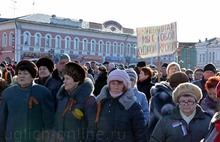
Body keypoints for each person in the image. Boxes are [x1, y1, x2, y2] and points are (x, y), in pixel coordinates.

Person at [0, 60, 55, 141]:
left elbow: (49, 120)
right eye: (19, 73)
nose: (22, 76)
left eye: (25, 73)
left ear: (32, 76)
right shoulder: (8, 93)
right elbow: (2, 119)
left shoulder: (43, 92)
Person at [95, 69, 147, 141]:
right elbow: (93, 127)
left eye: (119, 84)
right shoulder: (100, 102)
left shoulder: (132, 105)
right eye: (113, 83)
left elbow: (140, 132)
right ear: (109, 84)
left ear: (125, 85)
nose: (116, 87)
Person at [53, 62, 97, 142]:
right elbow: (57, 120)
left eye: (67, 79)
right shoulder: (62, 96)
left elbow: (92, 127)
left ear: (77, 81)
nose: (64, 81)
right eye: (64, 78)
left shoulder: (89, 99)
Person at [147, 71, 189, 141]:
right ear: (177, 87)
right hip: (159, 136)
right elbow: (169, 120)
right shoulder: (163, 97)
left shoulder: (173, 96)